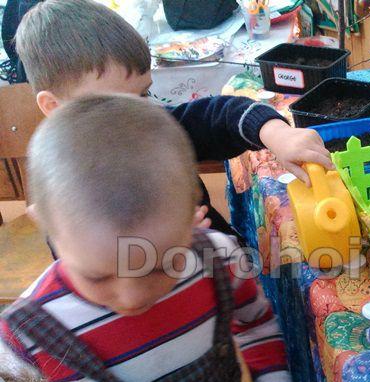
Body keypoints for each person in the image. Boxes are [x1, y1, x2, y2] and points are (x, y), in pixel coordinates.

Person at [0, 95, 296, 382]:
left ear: (193, 214)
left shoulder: (218, 258)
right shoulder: (24, 332)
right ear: (47, 224)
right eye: (98, 276)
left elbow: (256, 324)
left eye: (161, 265)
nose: (132, 297)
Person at [13, 0, 332, 245]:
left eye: (143, 94)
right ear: (54, 107)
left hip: (224, 273)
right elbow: (100, 284)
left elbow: (222, 115)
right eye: (111, 105)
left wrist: (276, 133)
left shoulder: (152, 129)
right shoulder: (65, 197)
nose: (136, 113)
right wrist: (163, 246)